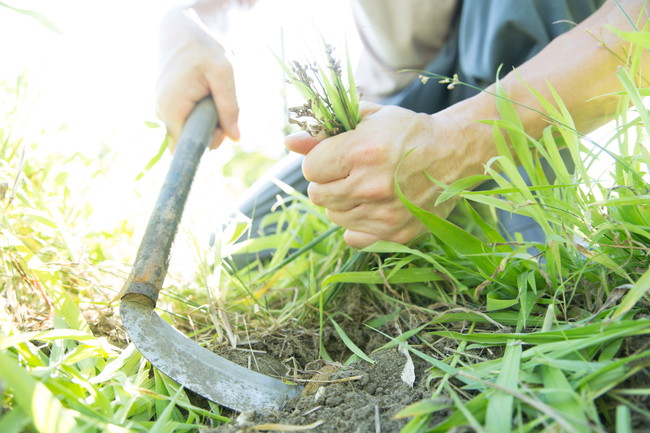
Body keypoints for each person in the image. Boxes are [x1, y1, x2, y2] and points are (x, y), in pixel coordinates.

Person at [156, 0, 648, 251]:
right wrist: (184, 30)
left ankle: (541, 262)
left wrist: (459, 142)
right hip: (396, 105)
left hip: (542, 68)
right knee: (245, 245)